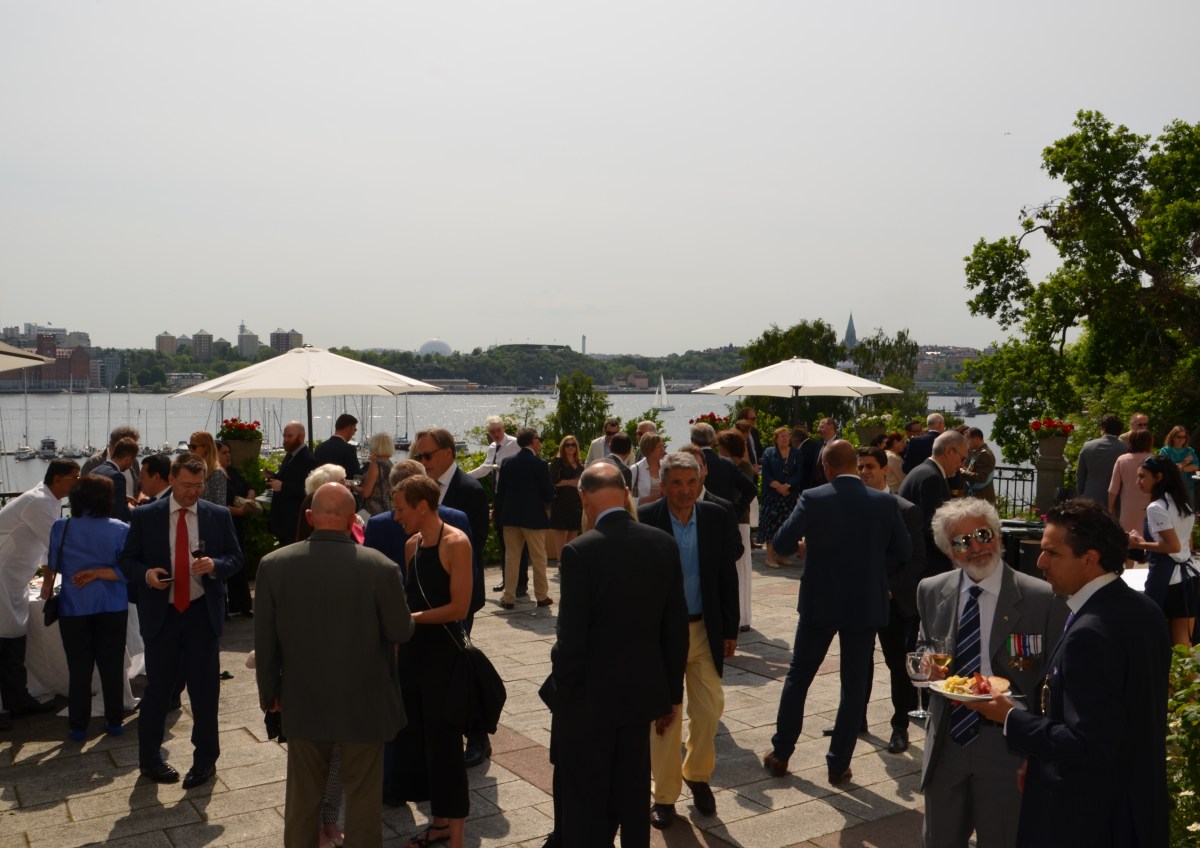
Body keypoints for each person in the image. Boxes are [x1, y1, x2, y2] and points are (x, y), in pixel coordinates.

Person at [968, 499, 1170, 848]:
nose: (1040, 562)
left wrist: (1009, 717)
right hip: (1137, 807)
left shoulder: (1091, 632)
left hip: (1089, 817)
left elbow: (1090, 743)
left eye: (1052, 553)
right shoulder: (1144, 608)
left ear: (1089, 558)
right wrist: (1035, 759)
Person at [254, 482, 414, 848]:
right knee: (363, 801)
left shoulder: (274, 565)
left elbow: (265, 640)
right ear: (353, 520)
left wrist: (270, 692)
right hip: (366, 701)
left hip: (303, 699)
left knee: (302, 800)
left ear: (310, 517)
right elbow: (400, 631)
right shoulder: (380, 566)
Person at [546, 462, 689, 848]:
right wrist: (671, 695)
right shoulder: (662, 543)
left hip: (590, 698)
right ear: (627, 494)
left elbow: (571, 639)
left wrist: (561, 689)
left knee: (589, 793)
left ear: (583, 498)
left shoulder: (579, 551)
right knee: (633, 787)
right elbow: (675, 629)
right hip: (642, 694)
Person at [916, 498, 1065, 848]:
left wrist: (1038, 754)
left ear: (997, 535)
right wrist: (926, 661)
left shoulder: (1043, 598)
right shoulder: (932, 590)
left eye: (983, 534)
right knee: (938, 840)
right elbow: (925, 643)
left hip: (1007, 744)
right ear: (949, 551)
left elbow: (1055, 682)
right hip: (947, 738)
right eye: (962, 541)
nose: (976, 547)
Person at [762, 441, 910, 786]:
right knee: (853, 685)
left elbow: (781, 543)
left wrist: (806, 546)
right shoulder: (885, 502)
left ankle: (781, 752)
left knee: (799, 676)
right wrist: (871, 560)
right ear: (855, 465)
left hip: (820, 600)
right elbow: (903, 550)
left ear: (827, 468)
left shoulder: (813, 498)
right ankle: (838, 764)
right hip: (864, 602)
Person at [120, 453, 244, 788]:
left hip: (202, 614)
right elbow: (127, 561)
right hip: (162, 615)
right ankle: (149, 760)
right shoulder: (146, 515)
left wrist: (215, 565)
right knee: (158, 691)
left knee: (205, 693)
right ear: (172, 480)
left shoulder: (216, 515)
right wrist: (147, 575)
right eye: (187, 485)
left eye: (199, 485)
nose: (193, 491)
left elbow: (236, 558)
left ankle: (205, 761)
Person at [638, 452, 741, 829]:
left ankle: (697, 775)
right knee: (664, 718)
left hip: (704, 629)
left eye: (691, 482)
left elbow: (726, 576)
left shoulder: (716, 516)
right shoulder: (645, 519)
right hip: (662, 635)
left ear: (701, 483)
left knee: (709, 711)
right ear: (663, 485)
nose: (685, 490)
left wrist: (730, 629)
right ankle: (664, 796)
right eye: (677, 483)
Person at [390, 475, 475, 848]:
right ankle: (439, 824)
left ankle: (456, 838)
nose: (396, 516)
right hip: (413, 656)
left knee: (445, 746)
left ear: (422, 506)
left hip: (444, 657)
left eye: (400, 509)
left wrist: (408, 620)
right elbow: (411, 598)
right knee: (420, 744)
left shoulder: (456, 542)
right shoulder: (412, 545)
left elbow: (459, 608)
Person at [410, 427, 492, 768]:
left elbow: (476, 547)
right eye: (419, 456)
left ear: (447, 453)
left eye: (427, 455)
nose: (423, 461)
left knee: (461, 666)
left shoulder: (469, 490)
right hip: (426, 598)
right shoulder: (419, 487)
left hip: (458, 598)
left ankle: (478, 737)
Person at [44, 476, 131, 741]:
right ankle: (114, 720)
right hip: (112, 604)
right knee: (112, 665)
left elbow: (53, 565)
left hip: (74, 605)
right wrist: (100, 572)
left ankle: (78, 725)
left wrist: (50, 586)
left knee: (79, 668)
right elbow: (128, 570)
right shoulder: (121, 528)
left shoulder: (62, 527)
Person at [853, 447, 925, 754]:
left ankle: (900, 726)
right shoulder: (851, 507)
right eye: (860, 467)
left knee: (897, 664)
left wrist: (890, 589)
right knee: (858, 662)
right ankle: (856, 719)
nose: (864, 472)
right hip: (858, 600)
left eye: (870, 466)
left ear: (885, 469)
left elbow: (918, 560)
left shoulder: (906, 510)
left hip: (894, 602)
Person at [0, 459, 81, 724]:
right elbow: (57, 546)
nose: (78, 482)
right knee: (5, 640)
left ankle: (17, 700)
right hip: (3, 575)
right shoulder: (38, 501)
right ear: (58, 478)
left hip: (14, 578)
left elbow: (50, 550)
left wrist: (47, 583)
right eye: (74, 477)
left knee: (14, 638)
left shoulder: (50, 500)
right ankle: (9, 705)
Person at [1127, 455, 1197, 645]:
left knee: (1151, 637)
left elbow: (1173, 546)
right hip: (1188, 577)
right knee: (1184, 645)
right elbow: (1182, 544)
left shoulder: (1156, 507)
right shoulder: (1183, 504)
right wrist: (1145, 542)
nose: (1138, 482)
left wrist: (1137, 544)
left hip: (1167, 580)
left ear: (1158, 477)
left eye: (1142, 476)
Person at [495, 428, 554, 611]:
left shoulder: (507, 462)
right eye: (539, 439)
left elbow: (500, 492)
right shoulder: (540, 463)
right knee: (538, 557)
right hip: (533, 518)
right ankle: (541, 596)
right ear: (532, 441)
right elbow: (548, 492)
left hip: (510, 517)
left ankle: (509, 597)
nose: (540, 442)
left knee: (511, 557)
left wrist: (499, 515)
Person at [900, 430, 969, 579]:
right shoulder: (932, 477)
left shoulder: (922, 471)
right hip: (928, 565)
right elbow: (934, 529)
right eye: (962, 458)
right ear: (949, 451)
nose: (962, 465)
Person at [465, 417, 522, 597]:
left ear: (503, 428)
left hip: (514, 496)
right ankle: (507, 579)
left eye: (498, 430)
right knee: (502, 538)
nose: (496, 434)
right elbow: (485, 469)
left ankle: (521, 583)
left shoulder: (515, 444)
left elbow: (522, 467)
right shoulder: (492, 447)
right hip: (499, 496)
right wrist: (463, 476)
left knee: (518, 540)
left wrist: (502, 469)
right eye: (492, 432)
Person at [716, 430, 756, 633]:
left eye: (720, 446)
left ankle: (744, 616)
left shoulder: (743, 466)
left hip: (740, 521)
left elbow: (747, 492)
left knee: (742, 568)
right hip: (731, 520)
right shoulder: (727, 465)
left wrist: (735, 511)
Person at [217, 441, 257, 618]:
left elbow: (248, 486)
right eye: (224, 452)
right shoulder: (215, 476)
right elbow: (217, 503)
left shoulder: (232, 472)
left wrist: (249, 497)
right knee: (225, 563)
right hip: (226, 523)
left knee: (239, 562)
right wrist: (238, 511)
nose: (228, 455)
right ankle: (226, 606)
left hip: (238, 525)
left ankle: (242, 604)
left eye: (229, 452)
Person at [265, 421, 318, 546]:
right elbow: (289, 478)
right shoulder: (291, 454)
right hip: (284, 522)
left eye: (289, 436)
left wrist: (283, 487)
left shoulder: (308, 459)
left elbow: (308, 490)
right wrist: (274, 477)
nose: (285, 440)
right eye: (284, 436)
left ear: (301, 437)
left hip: (294, 523)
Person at [691, 422, 758, 516]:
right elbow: (751, 489)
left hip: (696, 515)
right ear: (713, 440)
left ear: (692, 440)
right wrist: (735, 511)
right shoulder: (727, 463)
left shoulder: (689, 463)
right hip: (724, 516)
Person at [759, 426, 801, 567]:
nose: (785, 439)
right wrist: (778, 487)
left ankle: (782, 555)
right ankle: (770, 557)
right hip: (771, 495)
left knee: (786, 526)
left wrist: (787, 486)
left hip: (789, 495)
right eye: (782, 436)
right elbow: (766, 473)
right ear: (776, 439)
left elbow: (799, 474)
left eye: (787, 436)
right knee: (771, 526)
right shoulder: (768, 452)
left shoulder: (797, 453)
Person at [1107, 428, 1153, 535]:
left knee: (1128, 537)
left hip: (1128, 507)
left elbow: (1113, 489)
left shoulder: (1122, 460)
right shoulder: (1154, 460)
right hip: (1150, 506)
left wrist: (1110, 508)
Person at [1074, 414, 1127, 506]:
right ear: (1120, 430)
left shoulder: (1088, 446)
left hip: (1090, 498)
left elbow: (1080, 475)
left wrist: (1081, 495)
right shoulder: (1125, 449)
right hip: (1116, 501)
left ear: (1103, 428)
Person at [548, 435, 584, 560]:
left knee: (573, 530)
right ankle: (560, 560)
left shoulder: (579, 462)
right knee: (561, 531)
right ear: (563, 447)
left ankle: (569, 560)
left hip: (576, 501)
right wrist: (570, 482)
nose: (570, 447)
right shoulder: (557, 461)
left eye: (573, 445)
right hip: (561, 500)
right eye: (567, 445)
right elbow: (553, 481)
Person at [87, 437, 139, 521]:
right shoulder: (117, 477)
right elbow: (120, 512)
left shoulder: (93, 472)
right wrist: (139, 512)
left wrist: (123, 497)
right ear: (127, 459)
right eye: (132, 460)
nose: (131, 464)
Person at [82, 425, 141, 497]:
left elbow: (137, 488)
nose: (133, 450)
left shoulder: (134, 462)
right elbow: (84, 493)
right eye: (131, 446)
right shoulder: (94, 462)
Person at [356, 432, 395, 517]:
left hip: (373, 510)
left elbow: (366, 493)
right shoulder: (391, 464)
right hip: (387, 509)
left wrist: (352, 486)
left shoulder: (375, 464)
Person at [313, 413, 361, 480]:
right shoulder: (348, 449)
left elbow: (314, 471)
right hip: (339, 486)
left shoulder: (319, 447)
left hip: (321, 485)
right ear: (347, 429)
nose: (354, 433)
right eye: (354, 429)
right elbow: (355, 475)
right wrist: (369, 464)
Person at [1159, 424, 1199, 505]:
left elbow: (1196, 466)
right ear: (1172, 437)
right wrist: (1184, 463)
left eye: (1184, 437)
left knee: (1189, 510)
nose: (1182, 439)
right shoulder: (1165, 451)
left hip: (1188, 487)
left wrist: (1180, 468)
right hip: (1171, 487)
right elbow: (1165, 468)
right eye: (1179, 437)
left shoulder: (1189, 450)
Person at [188, 431, 227, 507]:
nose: (190, 450)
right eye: (189, 447)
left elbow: (219, 504)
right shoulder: (192, 470)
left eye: (193, 447)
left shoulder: (217, 473)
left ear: (206, 448)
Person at [961, 428, 996, 504]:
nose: (966, 443)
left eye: (967, 440)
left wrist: (962, 472)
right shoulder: (978, 451)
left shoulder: (984, 454)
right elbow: (973, 469)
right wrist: (966, 470)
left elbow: (981, 477)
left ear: (976, 439)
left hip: (982, 498)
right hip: (977, 497)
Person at [630, 432, 665, 507]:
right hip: (642, 512)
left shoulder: (666, 467)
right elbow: (627, 497)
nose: (662, 450)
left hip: (663, 511)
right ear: (649, 449)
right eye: (659, 447)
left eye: (663, 446)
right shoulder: (635, 469)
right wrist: (654, 498)